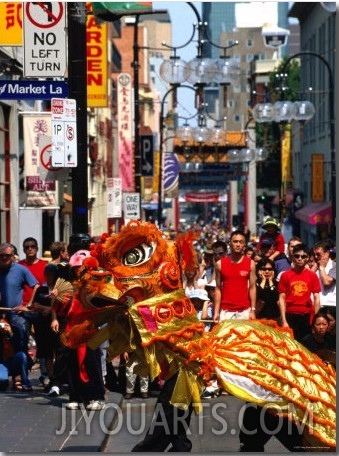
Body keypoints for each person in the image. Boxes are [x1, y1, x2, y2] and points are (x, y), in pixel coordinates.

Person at [18, 237, 48, 386]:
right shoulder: (19, 266)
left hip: (39, 309)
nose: (30, 249)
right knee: (22, 341)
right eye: (27, 247)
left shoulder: (44, 266)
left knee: (43, 343)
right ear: (23, 249)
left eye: (32, 246)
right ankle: (24, 376)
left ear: (37, 249)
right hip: (22, 309)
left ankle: (44, 375)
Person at [0, 243, 39, 355]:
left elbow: (36, 286)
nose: (4, 258)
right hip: (0, 314)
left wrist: (28, 305)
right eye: (1, 255)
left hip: (15, 314)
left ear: (13, 256)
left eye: (7, 255)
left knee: (20, 344)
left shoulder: (21, 270)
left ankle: (22, 368)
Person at [278, 243, 321, 342]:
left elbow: (317, 298)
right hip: (290, 314)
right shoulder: (285, 275)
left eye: (303, 256)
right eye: (297, 256)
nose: (300, 258)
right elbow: (281, 298)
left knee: (305, 344)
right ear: (292, 257)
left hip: (306, 315)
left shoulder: (312, 276)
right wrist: (284, 320)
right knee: (289, 344)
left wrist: (315, 320)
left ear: (307, 258)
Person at [213, 230, 257, 323]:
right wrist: (216, 312)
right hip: (225, 312)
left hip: (244, 312)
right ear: (230, 243)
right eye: (235, 241)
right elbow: (217, 289)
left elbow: (252, 288)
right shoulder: (220, 264)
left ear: (244, 245)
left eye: (241, 242)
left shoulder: (250, 263)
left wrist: (253, 310)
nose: (238, 244)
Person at [0, 316, 33, 391]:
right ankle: (5, 382)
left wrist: (10, 332)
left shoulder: (17, 331)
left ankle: (25, 383)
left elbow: (21, 347)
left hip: (16, 360)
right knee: (1, 382)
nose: (3, 327)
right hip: (3, 363)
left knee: (22, 355)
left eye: (5, 324)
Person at [310, 240, 336, 308]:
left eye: (318, 254)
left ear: (327, 253)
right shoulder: (314, 267)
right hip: (314, 306)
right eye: (314, 254)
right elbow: (306, 281)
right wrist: (315, 266)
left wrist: (321, 267)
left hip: (329, 306)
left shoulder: (335, 266)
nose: (315, 257)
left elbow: (326, 282)